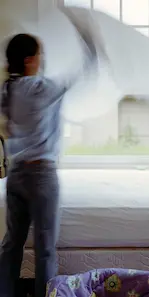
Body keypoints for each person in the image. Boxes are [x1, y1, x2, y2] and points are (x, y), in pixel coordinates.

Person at [0, 33, 68, 297]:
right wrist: (90, 41)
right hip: (41, 176)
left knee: (11, 245)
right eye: (40, 55)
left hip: (16, 174)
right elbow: (80, 75)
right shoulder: (42, 88)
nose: (42, 60)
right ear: (29, 60)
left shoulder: (8, 89)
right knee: (45, 250)